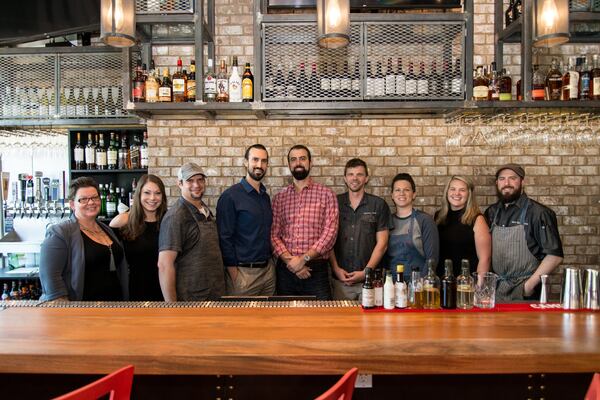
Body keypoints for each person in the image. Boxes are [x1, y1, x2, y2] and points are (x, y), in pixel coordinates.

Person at [39, 177, 128, 301]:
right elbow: (51, 280)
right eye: (83, 199)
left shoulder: (106, 230)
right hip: (83, 311)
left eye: (95, 197)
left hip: (114, 309)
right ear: (72, 204)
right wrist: (66, 314)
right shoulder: (59, 233)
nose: (91, 202)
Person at [484, 164, 563, 302]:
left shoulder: (539, 213)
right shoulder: (491, 212)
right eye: (502, 179)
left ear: (522, 182)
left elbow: (554, 256)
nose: (506, 183)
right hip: (497, 290)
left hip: (526, 293)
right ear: (497, 183)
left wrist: (528, 287)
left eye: (512, 178)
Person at [271, 145, 338, 300]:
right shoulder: (279, 198)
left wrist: (303, 259)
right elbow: (274, 235)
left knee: (321, 318)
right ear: (289, 165)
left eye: (302, 158)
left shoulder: (327, 195)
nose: (298, 163)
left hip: (316, 270)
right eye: (293, 160)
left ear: (310, 162)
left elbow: (330, 233)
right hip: (286, 270)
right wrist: (292, 263)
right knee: (286, 320)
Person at [157, 162, 225, 302]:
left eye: (200, 179)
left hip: (214, 294)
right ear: (180, 184)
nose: (196, 185)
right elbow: (164, 265)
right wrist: (172, 308)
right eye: (190, 180)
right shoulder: (175, 217)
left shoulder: (205, 210)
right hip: (192, 300)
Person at [216, 144, 275, 296]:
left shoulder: (265, 197)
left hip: (268, 273)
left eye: (263, 161)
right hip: (243, 275)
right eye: (255, 159)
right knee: (241, 319)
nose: (259, 165)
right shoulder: (230, 196)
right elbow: (224, 237)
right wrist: (234, 274)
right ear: (245, 162)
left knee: (269, 318)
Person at [329, 158, 390, 300]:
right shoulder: (334, 203)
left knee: (372, 321)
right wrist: (336, 269)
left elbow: (382, 244)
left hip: (371, 281)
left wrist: (365, 272)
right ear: (345, 178)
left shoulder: (378, 205)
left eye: (359, 174)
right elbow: (328, 239)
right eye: (350, 174)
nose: (354, 178)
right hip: (341, 281)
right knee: (343, 321)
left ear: (366, 178)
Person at [110, 174, 168, 301]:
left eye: (157, 193)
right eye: (147, 193)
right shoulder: (124, 220)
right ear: (138, 195)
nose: (152, 198)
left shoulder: (168, 220)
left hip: (166, 289)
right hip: (135, 290)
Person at [386, 173, 439, 282]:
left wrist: (418, 285)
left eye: (406, 190)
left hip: (418, 284)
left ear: (414, 194)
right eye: (397, 190)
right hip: (391, 284)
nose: (402, 193)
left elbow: (432, 260)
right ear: (392, 195)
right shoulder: (387, 221)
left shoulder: (424, 220)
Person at [435, 175, 491, 277]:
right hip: (443, 282)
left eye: (462, 190)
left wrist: (478, 289)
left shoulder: (478, 220)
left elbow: (485, 259)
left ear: (469, 194)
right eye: (453, 189)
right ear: (447, 192)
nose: (457, 193)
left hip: (466, 285)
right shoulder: (438, 217)